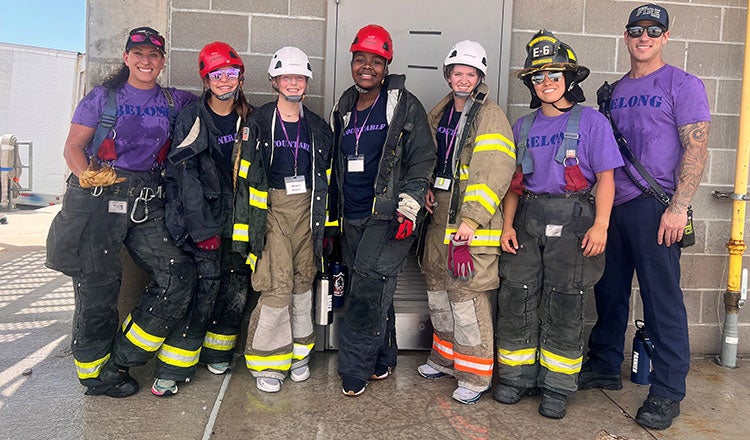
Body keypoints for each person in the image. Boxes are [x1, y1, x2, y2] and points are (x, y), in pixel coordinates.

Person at [45, 26, 198, 398]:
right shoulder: (102, 97)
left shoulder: (173, 100)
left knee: (178, 273)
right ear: (127, 57)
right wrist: (88, 175)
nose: (146, 61)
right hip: (99, 197)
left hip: (146, 199)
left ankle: (124, 356)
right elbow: (73, 148)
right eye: (139, 54)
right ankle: (95, 373)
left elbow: (214, 105)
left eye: (154, 55)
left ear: (162, 61)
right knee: (97, 287)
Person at [580, 4, 710, 430]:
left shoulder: (683, 83)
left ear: (666, 37)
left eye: (654, 30)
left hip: (657, 208)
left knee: (662, 301)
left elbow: (697, 148)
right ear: (626, 35)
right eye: (637, 29)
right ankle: (603, 364)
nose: (645, 36)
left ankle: (668, 390)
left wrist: (678, 207)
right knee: (609, 291)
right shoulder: (614, 91)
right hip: (613, 205)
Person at [493, 30, 623, 419]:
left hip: (575, 220)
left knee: (566, 301)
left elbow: (606, 179)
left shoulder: (593, 123)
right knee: (517, 295)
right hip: (529, 218)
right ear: (532, 85)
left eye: (553, 76)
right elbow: (514, 185)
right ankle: (517, 378)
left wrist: (601, 226)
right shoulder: (522, 127)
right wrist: (507, 226)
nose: (546, 83)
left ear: (570, 80)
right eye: (538, 77)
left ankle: (557, 385)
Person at [330, 24, 435, 397]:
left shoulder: (405, 104)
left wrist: (410, 204)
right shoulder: (343, 107)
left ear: (386, 64)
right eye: (361, 59)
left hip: (389, 214)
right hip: (352, 215)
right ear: (352, 61)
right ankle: (383, 358)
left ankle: (354, 368)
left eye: (376, 61)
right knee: (375, 289)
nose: (367, 67)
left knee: (367, 290)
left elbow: (423, 157)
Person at [417, 40, 516, 404]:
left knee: (465, 295)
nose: (463, 79)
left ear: (479, 78)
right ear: (448, 75)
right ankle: (444, 359)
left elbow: (493, 171)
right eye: (457, 72)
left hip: (469, 222)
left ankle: (474, 375)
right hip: (440, 215)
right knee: (438, 287)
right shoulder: (441, 113)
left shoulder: (490, 116)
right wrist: (426, 186)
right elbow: (430, 156)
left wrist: (471, 221)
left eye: (470, 73)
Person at [152, 41, 252, 396]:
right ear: (206, 80)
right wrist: (201, 228)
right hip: (205, 218)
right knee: (205, 288)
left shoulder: (249, 118)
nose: (225, 81)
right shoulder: (192, 117)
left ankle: (218, 352)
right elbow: (185, 177)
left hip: (238, 219)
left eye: (231, 73)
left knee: (236, 286)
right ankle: (173, 368)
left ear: (240, 76)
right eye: (217, 75)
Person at [232, 46, 332, 393]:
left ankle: (299, 355)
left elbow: (328, 182)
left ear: (306, 82)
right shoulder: (257, 123)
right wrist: (246, 233)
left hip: (307, 212)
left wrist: (328, 229)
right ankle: (268, 363)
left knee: (303, 284)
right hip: (271, 212)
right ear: (274, 81)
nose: (293, 83)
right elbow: (243, 184)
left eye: (299, 77)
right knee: (277, 286)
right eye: (286, 77)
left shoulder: (318, 127)